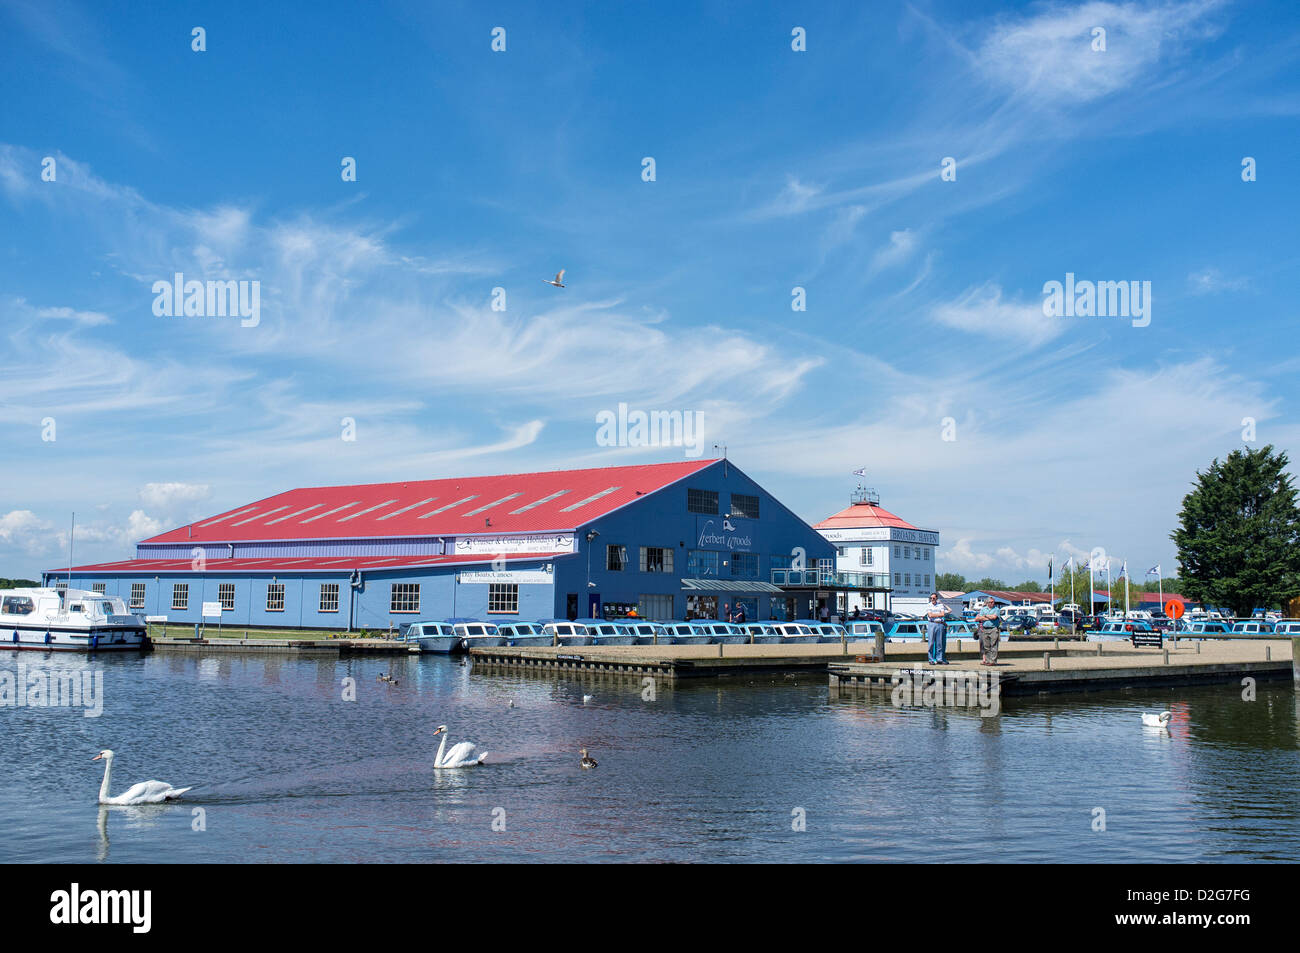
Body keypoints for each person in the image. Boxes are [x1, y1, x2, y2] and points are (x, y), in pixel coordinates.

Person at [975, 597, 1001, 665]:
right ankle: (987, 660)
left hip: (993, 628)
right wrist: (988, 617)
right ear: (987, 603)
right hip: (985, 629)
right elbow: (979, 618)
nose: (993, 603)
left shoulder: (996, 609)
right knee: (986, 646)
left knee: (994, 645)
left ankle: (993, 661)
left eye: (993, 602)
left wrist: (986, 616)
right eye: (991, 602)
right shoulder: (983, 609)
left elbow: (994, 617)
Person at [925, 593, 949, 664]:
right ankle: (931, 659)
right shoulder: (928, 605)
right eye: (931, 598)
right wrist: (938, 614)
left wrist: (934, 615)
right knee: (931, 642)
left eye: (934, 598)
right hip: (932, 624)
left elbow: (943, 614)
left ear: (936, 598)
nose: (932, 599)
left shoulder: (940, 605)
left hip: (940, 624)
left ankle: (939, 659)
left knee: (939, 643)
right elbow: (930, 615)